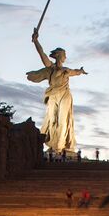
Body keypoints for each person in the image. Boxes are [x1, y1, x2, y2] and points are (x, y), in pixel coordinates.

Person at [27, 28, 86, 156]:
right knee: (52, 120)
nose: (66, 57)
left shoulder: (66, 70)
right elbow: (42, 55)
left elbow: (76, 72)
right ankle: (53, 146)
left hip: (65, 95)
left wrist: (81, 71)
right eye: (64, 54)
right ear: (60, 56)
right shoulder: (50, 68)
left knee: (63, 120)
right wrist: (36, 41)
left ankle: (60, 147)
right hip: (53, 95)